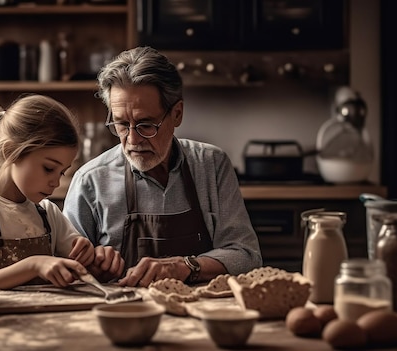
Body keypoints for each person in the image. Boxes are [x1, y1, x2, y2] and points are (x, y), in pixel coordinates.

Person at [63, 46, 262, 287]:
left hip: (200, 311)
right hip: (124, 313)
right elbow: (66, 268)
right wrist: (92, 268)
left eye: (146, 125)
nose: (133, 140)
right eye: (122, 125)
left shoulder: (211, 165)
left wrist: (186, 266)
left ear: (177, 114)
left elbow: (247, 256)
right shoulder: (90, 180)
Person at [0, 94, 124, 289]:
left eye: (62, 172)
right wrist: (33, 266)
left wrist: (95, 260)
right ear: (10, 151)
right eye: (49, 168)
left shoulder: (48, 213)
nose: (56, 182)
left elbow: (81, 268)